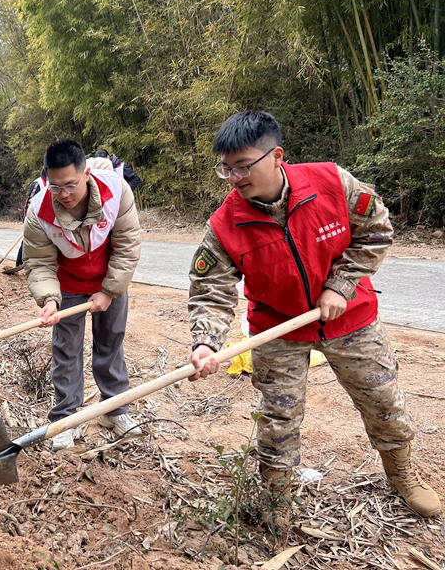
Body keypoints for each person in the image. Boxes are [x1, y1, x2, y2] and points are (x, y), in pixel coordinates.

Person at [187, 111, 441, 517]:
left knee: (382, 400)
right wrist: (205, 342)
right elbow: (210, 290)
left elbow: (376, 231)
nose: (234, 178)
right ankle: (278, 499)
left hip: (352, 319)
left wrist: (341, 284)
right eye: (226, 169)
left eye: (243, 166)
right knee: (278, 418)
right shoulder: (224, 224)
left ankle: (402, 473)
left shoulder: (332, 183)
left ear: (276, 156)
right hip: (278, 330)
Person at [23, 139, 142, 451]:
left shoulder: (116, 191)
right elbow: (39, 262)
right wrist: (49, 299)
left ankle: (114, 410)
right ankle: (65, 419)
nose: (64, 194)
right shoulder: (39, 212)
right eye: (55, 186)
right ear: (46, 180)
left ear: (86, 174)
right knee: (66, 350)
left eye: (70, 184)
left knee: (111, 343)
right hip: (68, 284)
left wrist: (109, 291)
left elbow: (127, 245)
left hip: (109, 278)